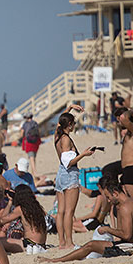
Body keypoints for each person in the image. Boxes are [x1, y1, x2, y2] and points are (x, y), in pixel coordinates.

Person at [37, 177, 133, 263]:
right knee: (92, 245)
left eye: (108, 197)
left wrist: (107, 229)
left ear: (115, 193)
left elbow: (126, 235)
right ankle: (59, 259)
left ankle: (56, 260)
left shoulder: (125, 207)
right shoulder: (130, 203)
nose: (108, 200)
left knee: (91, 245)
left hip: (131, 248)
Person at [53, 105, 95, 249]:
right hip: (69, 174)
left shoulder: (57, 134)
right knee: (69, 211)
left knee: (61, 212)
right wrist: (83, 154)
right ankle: (69, 242)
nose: (74, 126)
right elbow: (68, 163)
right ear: (69, 125)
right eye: (73, 124)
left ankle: (61, 242)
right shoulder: (66, 140)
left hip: (59, 174)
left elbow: (60, 122)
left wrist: (69, 108)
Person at [0, 184, 47, 254]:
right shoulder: (37, 207)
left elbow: (2, 220)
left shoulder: (21, 209)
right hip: (42, 244)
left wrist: (10, 202)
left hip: (30, 243)